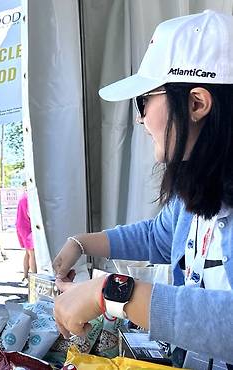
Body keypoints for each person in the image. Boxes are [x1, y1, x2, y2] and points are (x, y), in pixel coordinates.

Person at [52, 10, 233, 364]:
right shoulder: (201, 186)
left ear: (196, 103)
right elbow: (157, 237)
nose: (140, 117)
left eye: (144, 100)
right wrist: (83, 242)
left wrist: (112, 294)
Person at [15, 189, 35, 281]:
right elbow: (30, 213)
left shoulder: (24, 195)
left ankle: (26, 275)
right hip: (27, 227)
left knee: (28, 252)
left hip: (21, 225)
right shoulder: (29, 197)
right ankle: (35, 277)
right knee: (32, 253)